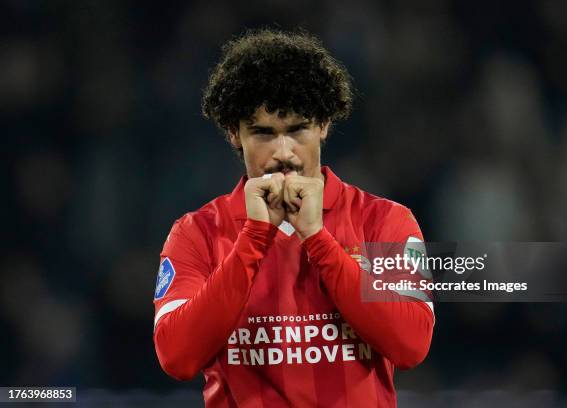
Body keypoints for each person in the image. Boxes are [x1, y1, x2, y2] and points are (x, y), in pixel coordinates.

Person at [152, 29, 434, 407]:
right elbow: (176, 357)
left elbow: (411, 344)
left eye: (297, 128)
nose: (283, 152)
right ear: (234, 134)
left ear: (323, 125)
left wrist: (318, 239)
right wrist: (254, 238)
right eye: (263, 133)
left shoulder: (385, 221)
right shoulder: (197, 233)